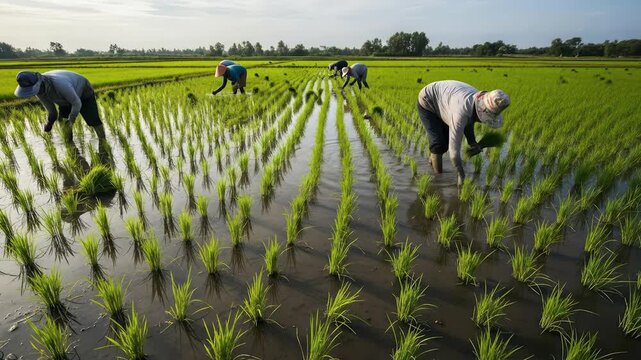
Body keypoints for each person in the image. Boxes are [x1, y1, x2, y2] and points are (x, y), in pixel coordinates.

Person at [417, 80, 510, 186]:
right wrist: (461, 175)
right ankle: (438, 177)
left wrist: (473, 142)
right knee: (438, 143)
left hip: (447, 100)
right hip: (428, 100)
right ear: (482, 110)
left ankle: (433, 159)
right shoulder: (460, 113)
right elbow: (454, 154)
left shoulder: (475, 102)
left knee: (444, 141)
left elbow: (469, 121)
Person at [14, 70, 107, 145]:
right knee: (63, 121)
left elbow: (76, 103)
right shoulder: (39, 91)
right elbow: (52, 110)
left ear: (39, 83)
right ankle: (69, 143)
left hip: (83, 90)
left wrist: (72, 119)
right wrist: (49, 123)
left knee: (92, 119)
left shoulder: (60, 84)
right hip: (64, 98)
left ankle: (103, 141)